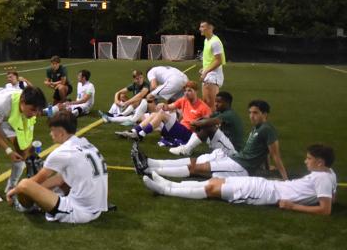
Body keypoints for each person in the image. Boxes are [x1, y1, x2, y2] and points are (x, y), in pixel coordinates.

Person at [142, 144, 336, 216]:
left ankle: (165, 190)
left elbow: (325, 210)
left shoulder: (323, 179)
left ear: (319, 162)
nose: (305, 161)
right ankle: (168, 184)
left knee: (212, 189)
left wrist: (294, 206)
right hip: (269, 186)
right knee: (217, 181)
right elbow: (330, 199)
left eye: (309, 159)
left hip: (268, 195)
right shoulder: (329, 174)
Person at [136, 100, 288, 181]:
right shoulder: (257, 128)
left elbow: (275, 154)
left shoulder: (267, 129)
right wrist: (267, 169)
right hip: (235, 159)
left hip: (239, 166)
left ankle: (149, 170)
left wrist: (285, 178)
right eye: (250, 113)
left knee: (196, 169)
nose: (251, 116)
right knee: (193, 162)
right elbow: (265, 153)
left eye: (256, 113)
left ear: (265, 114)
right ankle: (149, 162)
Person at [7, 111, 109, 223]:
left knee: (24, 184)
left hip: (80, 211)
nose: (50, 134)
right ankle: (45, 199)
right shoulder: (86, 143)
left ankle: (27, 207)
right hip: (97, 208)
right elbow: (59, 180)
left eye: (52, 131)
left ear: (61, 133)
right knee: (61, 178)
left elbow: (36, 180)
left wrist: (15, 191)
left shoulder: (62, 152)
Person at [0, 86, 47, 202]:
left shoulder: (26, 101)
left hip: (4, 115)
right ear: (22, 102)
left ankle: (11, 186)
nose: (35, 114)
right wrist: (9, 151)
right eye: (33, 110)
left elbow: (25, 143)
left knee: (21, 148)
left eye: (37, 110)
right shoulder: (3, 103)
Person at [116, 81, 211, 146]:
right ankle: (134, 132)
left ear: (196, 92)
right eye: (185, 90)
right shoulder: (184, 100)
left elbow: (209, 125)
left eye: (190, 90)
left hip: (188, 133)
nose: (186, 93)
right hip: (178, 129)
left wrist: (198, 125)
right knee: (154, 114)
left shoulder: (204, 107)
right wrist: (163, 105)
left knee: (161, 114)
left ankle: (140, 135)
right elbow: (169, 107)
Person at [169, 91, 244, 157]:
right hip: (225, 144)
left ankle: (186, 149)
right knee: (203, 124)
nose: (216, 104)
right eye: (215, 101)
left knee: (208, 126)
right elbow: (205, 118)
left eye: (219, 102)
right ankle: (188, 148)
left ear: (227, 103)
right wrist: (197, 122)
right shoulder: (220, 112)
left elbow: (210, 122)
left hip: (233, 151)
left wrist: (196, 123)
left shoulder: (229, 114)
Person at [199, 21, 226, 111]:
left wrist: (206, 71)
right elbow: (211, 59)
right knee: (206, 102)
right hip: (208, 74)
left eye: (203, 27)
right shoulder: (206, 40)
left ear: (210, 28)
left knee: (212, 104)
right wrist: (204, 69)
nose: (200, 29)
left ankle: (215, 124)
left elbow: (219, 61)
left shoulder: (215, 42)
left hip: (213, 76)